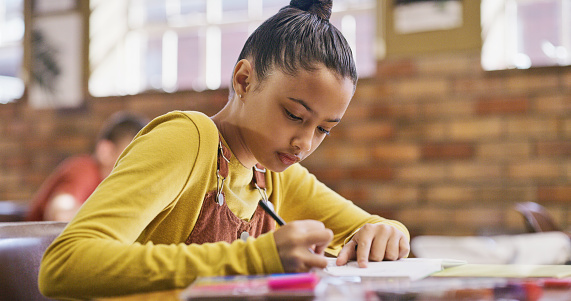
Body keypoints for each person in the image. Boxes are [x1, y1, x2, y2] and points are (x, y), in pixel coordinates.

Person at [39, 0, 410, 299]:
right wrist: (254, 259)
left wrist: (387, 231)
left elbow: (367, 227)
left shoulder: (273, 173)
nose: (304, 143)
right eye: (294, 115)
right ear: (244, 80)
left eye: (324, 130)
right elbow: (64, 264)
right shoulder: (189, 139)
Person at [26, 111, 148, 222]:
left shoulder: (112, 186)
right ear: (106, 151)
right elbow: (60, 214)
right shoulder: (83, 169)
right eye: (132, 157)